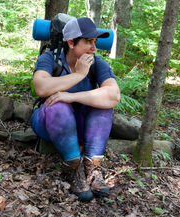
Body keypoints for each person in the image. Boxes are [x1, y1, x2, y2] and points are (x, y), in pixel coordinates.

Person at [31, 17, 120, 202]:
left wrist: (72, 96)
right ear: (71, 42)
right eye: (88, 42)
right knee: (59, 105)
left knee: (104, 107)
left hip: (78, 125)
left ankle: (92, 168)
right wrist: (79, 74)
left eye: (95, 42)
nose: (94, 48)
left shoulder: (97, 63)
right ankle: (73, 169)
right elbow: (41, 87)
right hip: (48, 121)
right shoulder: (51, 58)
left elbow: (113, 96)